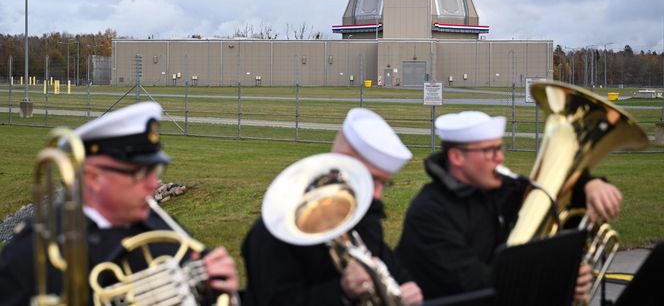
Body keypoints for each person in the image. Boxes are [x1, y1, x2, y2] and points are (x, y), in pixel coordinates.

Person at [0, 101, 239, 305]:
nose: (153, 184)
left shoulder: (163, 231)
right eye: (138, 173)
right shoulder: (35, 254)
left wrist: (219, 288)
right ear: (93, 177)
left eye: (154, 170)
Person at [395, 111, 623, 302]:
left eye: (500, 148)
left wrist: (590, 184)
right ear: (457, 157)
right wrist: (558, 278)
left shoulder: (499, 188)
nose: (500, 158)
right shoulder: (430, 212)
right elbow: (474, 283)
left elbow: (553, 197)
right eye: (490, 151)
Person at [242, 107, 423, 306]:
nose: (377, 194)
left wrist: (404, 287)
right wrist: (341, 292)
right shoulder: (278, 228)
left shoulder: (366, 216)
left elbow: (388, 265)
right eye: (372, 179)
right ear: (344, 160)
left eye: (384, 183)